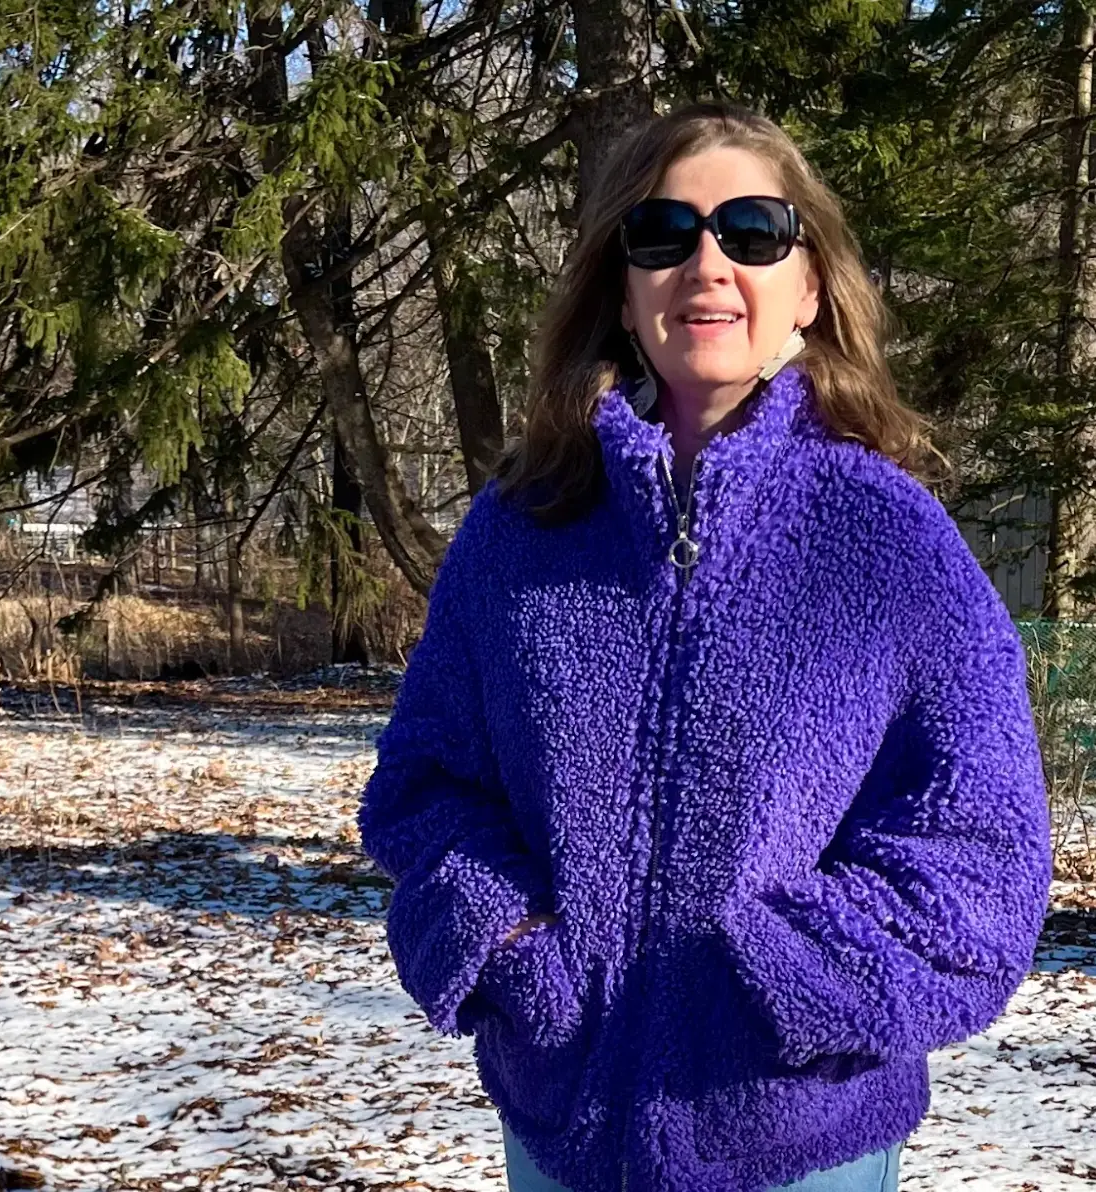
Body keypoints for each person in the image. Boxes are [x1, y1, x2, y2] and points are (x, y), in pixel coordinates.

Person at [355, 101, 1053, 1192]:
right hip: (562, 1132)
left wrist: (777, 977)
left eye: (753, 231)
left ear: (809, 288)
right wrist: (510, 945)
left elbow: (980, 858)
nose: (707, 262)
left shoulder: (891, 542)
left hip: (800, 1143)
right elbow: (425, 785)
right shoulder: (521, 528)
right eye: (663, 234)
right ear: (622, 289)